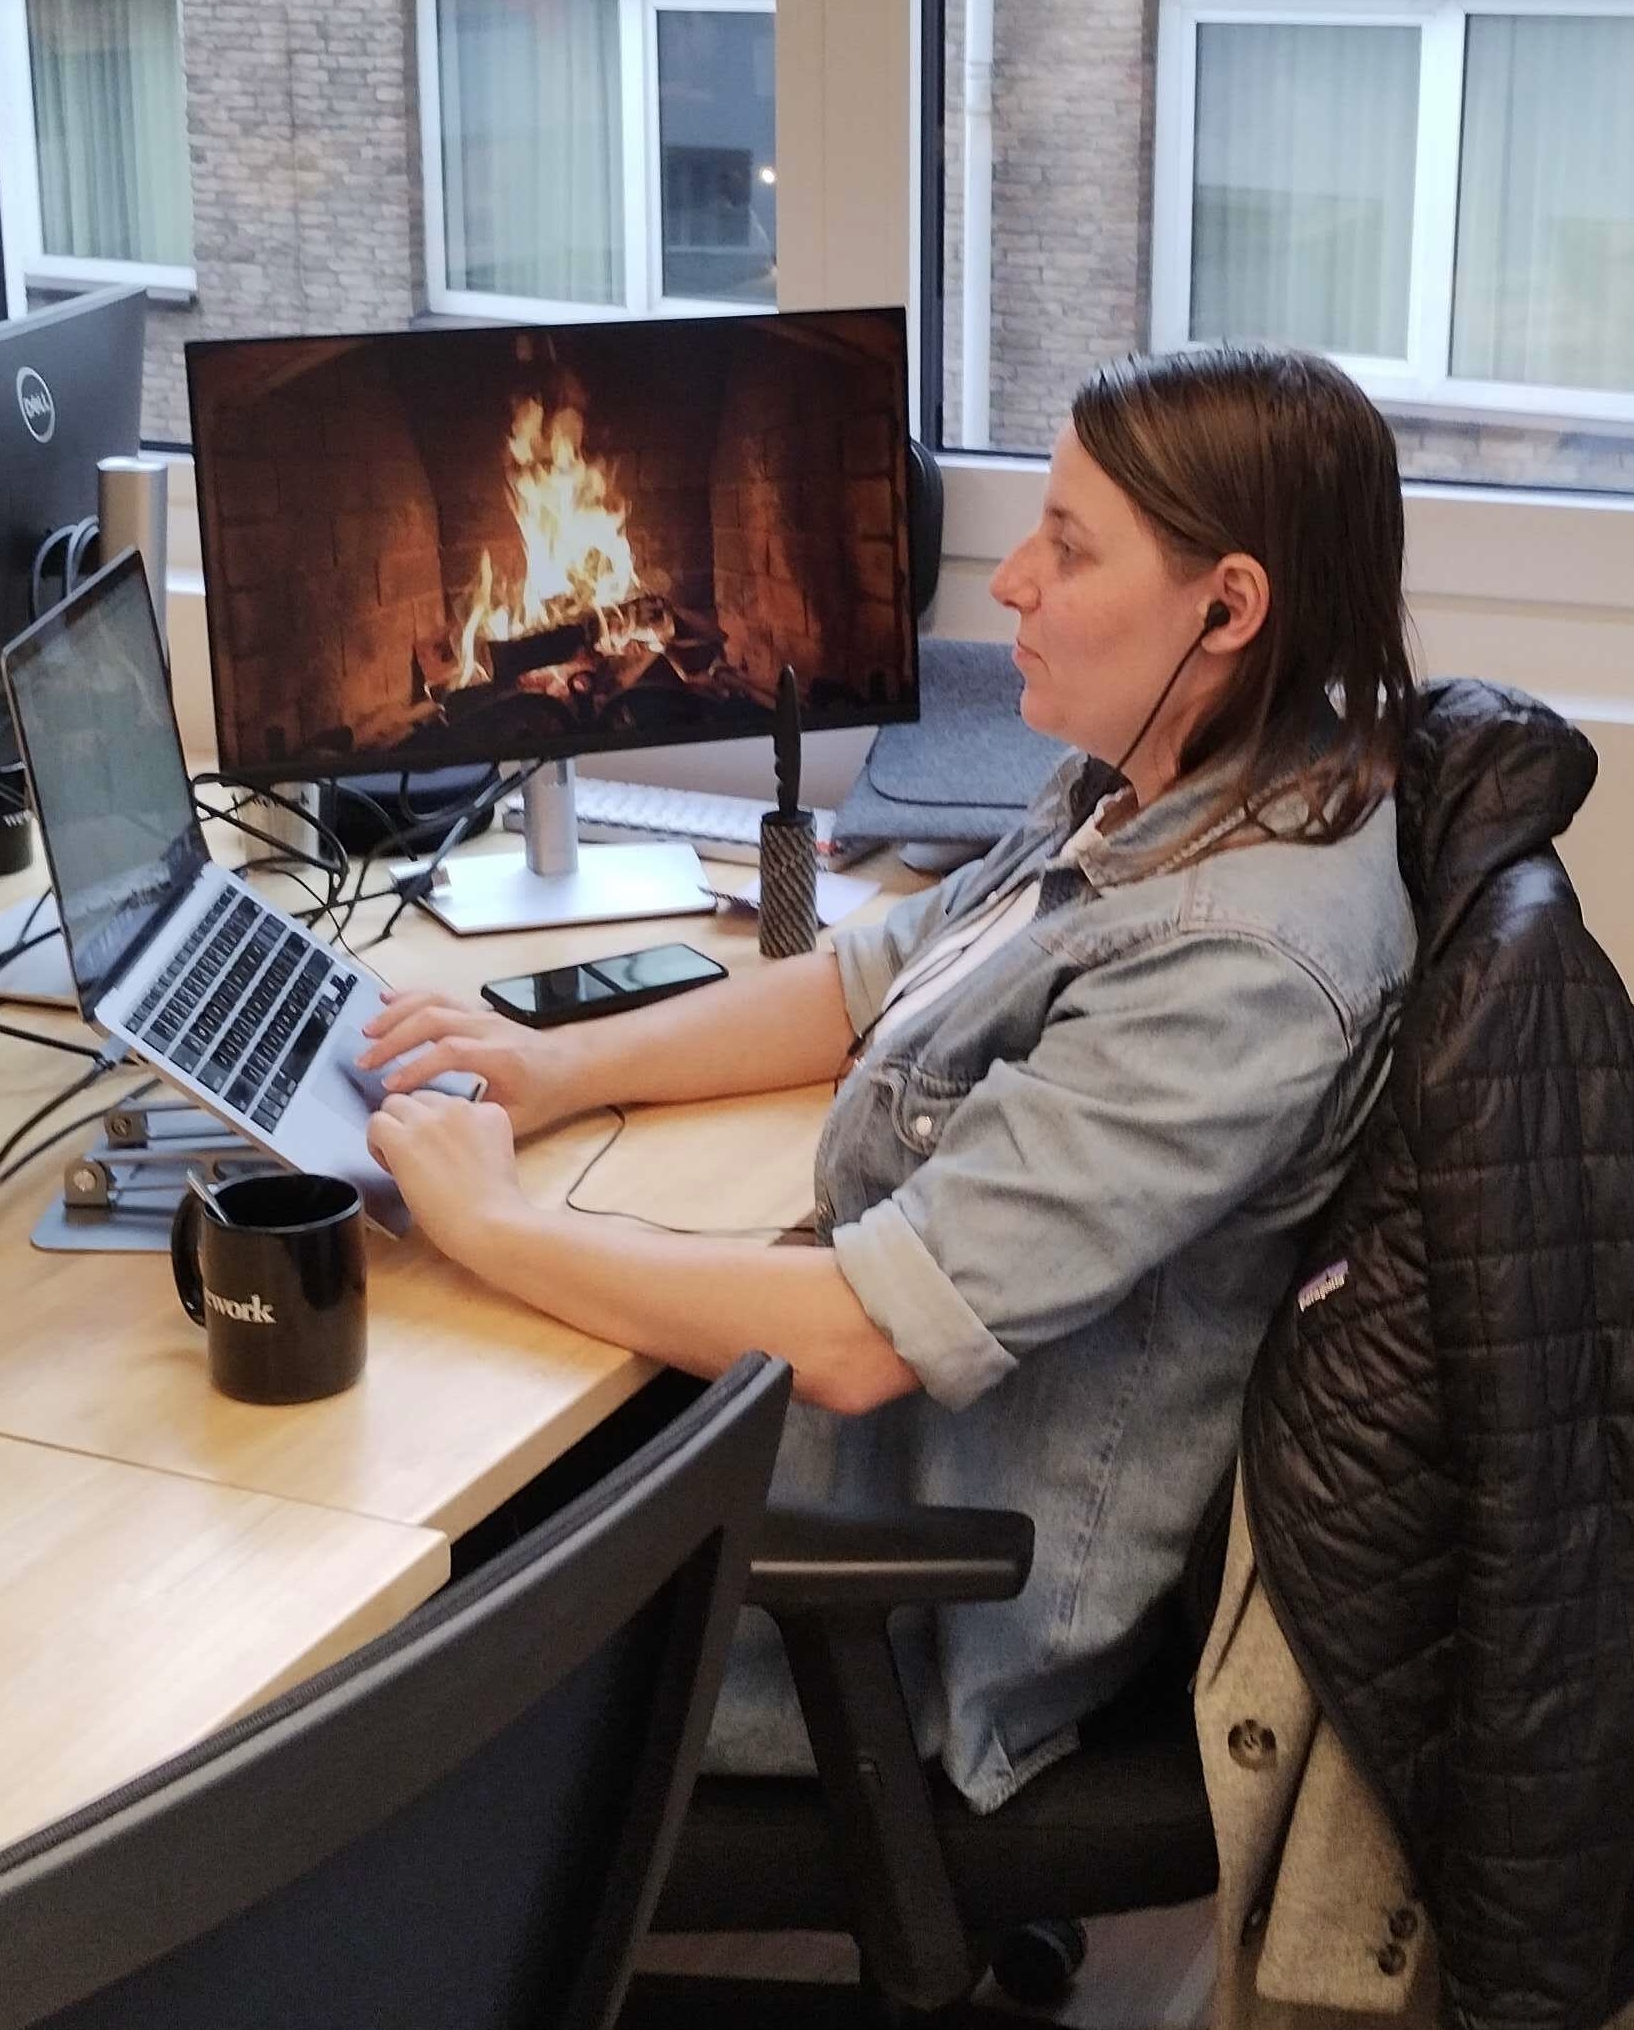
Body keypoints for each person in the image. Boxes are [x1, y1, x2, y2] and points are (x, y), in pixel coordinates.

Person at [357, 342, 1419, 1811]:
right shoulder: (1157, 784)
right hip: (802, 1466)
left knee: (355, 1510)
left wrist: (500, 1228)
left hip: (881, 1603)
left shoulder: (1238, 964)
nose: (1009, 585)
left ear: (1227, 606)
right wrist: (555, 1066)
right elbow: (880, 974)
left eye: (1068, 545)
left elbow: (863, 1342)